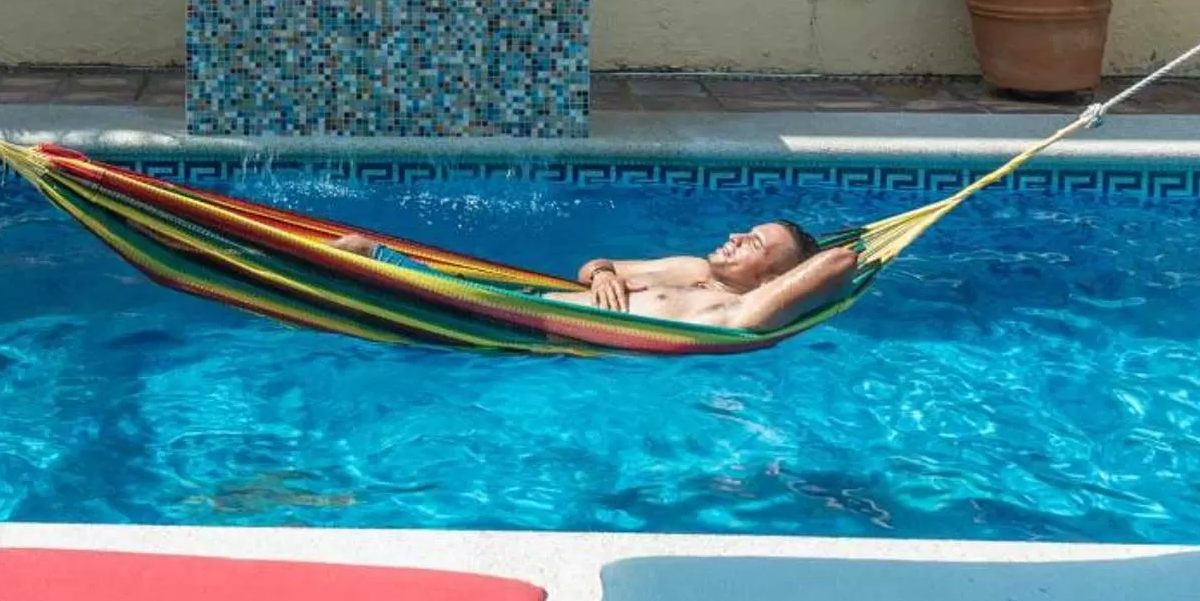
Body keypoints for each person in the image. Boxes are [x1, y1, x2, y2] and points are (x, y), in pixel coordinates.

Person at [328, 218, 859, 332]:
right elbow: (589, 264)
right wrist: (603, 273)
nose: (738, 236)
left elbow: (842, 261)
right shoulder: (690, 267)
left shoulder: (740, 311)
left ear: (775, 279)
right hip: (518, 299)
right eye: (746, 230)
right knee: (350, 262)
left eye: (755, 243)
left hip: (528, 326)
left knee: (356, 260)